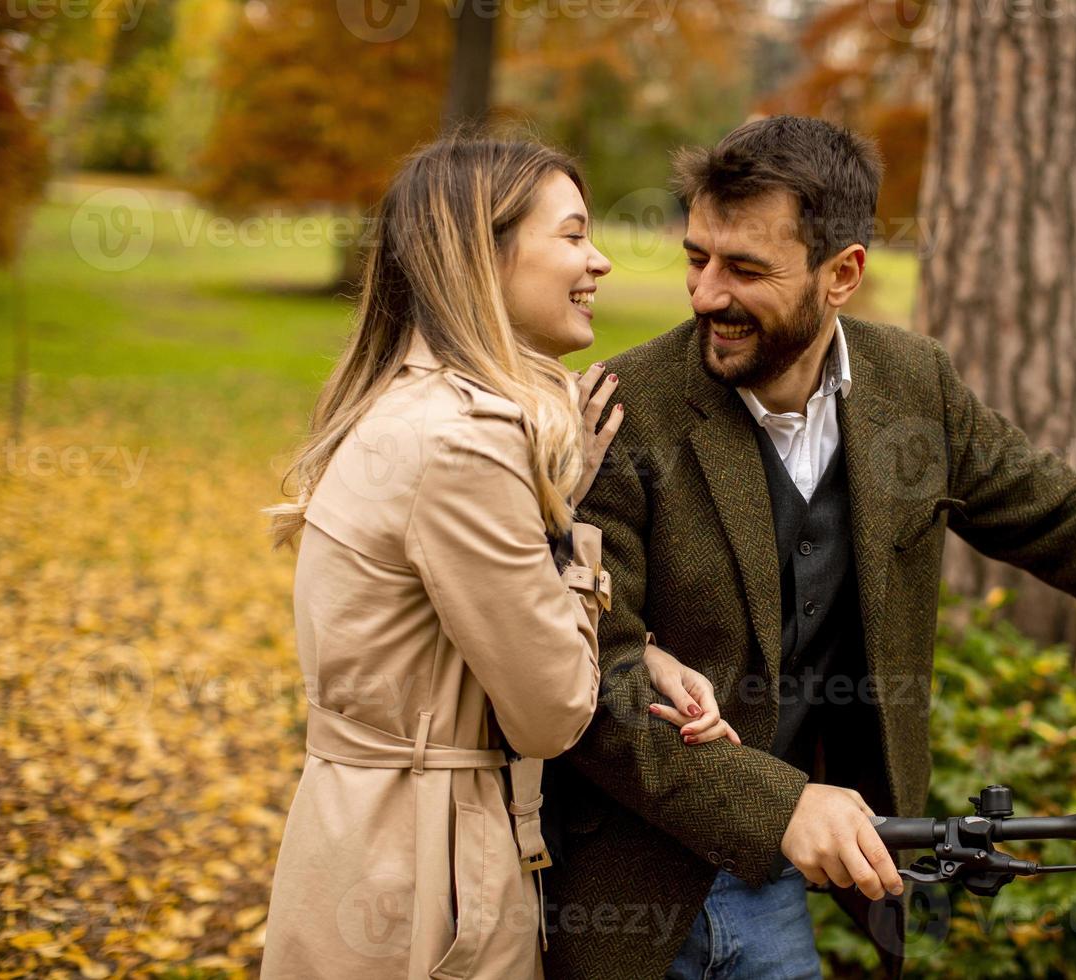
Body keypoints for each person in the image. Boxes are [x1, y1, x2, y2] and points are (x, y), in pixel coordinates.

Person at [543, 115, 1076, 979]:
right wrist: (780, 805)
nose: (704, 295)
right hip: (631, 883)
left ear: (842, 273)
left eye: (745, 269)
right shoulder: (626, 412)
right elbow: (593, 674)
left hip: (766, 885)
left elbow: (1060, 516)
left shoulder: (912, 384)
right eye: (698, 258)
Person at [258, 134, 736, 980]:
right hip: (425, 887)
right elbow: (552, 711)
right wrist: (566, 528)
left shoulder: (416, 405)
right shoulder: (465, 448)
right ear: (485, 255)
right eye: (573, 234)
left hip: (371, 842)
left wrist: (641, 647)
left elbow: (459, 636)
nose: (600, 261)